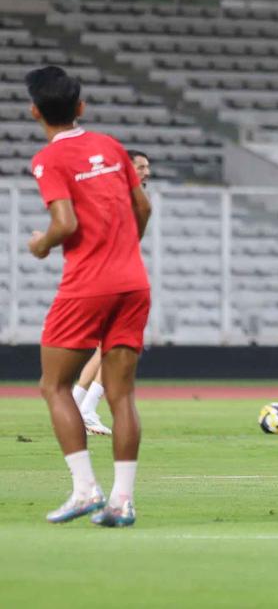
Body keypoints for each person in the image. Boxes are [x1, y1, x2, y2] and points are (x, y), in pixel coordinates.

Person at [25, 66, 151, 527]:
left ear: (35, 111)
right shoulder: (110, 146)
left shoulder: (47, 160)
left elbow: (66, 224)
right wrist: (124, 252)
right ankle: (122, 501)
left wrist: (40, 244)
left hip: (87, 285)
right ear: (80, 107)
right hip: (133, 282)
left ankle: (84, 490)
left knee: (54, 385)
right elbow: (144, 206)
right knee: (121, 396)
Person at [71, 149, 152, 435]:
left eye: (146, 167)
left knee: (105, 347)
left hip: (103, 275)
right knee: (119, 346)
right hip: (112, 278)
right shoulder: (123, 197)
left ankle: (78, 404)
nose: (146, 172)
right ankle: (87, 409)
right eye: (140, 167)